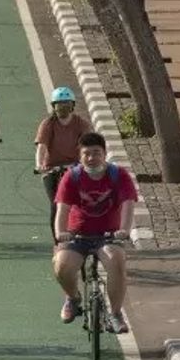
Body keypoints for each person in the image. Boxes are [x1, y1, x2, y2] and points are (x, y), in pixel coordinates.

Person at [53, 132, 137, 333]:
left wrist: (124, 229)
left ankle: (115, 313)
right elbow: (62, 209)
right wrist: (60, 232)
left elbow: (128, 204)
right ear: (80, 156)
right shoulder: (72, 177)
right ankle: (73, 298)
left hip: (108, 235)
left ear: (105, 153)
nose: (92, 158)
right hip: (77, 235)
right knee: (61, 267)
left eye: (96, 153)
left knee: (116, 260)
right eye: (87, 154)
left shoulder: (119, 175)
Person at [34, 87, 92, 240]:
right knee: (56, 203)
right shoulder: (48, 124)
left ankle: (86, 233)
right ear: (54, 107)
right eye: (59, 105)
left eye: (66, 104)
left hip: (76, 167)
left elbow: (89, 145)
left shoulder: (81, 123)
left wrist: (86, 163)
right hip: (52, 169)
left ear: (72, 105)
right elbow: (42, 146)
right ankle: (57, 241)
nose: (63, 108)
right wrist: (40, 164)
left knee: (85, 202)